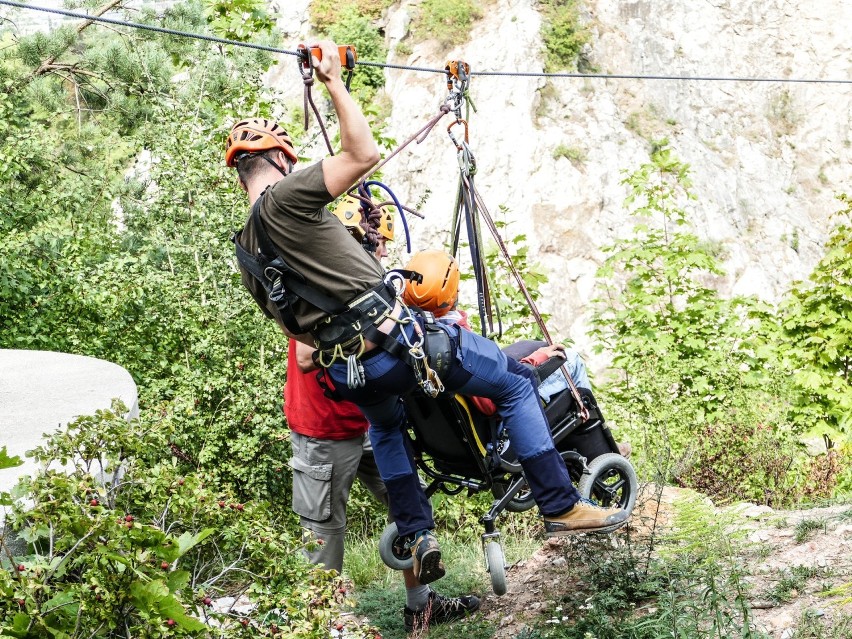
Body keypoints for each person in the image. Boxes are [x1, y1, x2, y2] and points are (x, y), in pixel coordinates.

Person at [227, 41, 628, 590]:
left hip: (350, 372)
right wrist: (334, 82)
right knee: (513, 384)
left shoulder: (247, 248)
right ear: (281, 161)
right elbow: (363, 153)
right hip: (399, 343)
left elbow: (297, 329)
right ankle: (558, 504)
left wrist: (362, 257)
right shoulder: (287, 197)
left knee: (386, 424)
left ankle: (417, 533)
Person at [283, 228, 480, 631]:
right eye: (379, 248)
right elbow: (305, 356)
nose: (385, 254)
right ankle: (320, 625)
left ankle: (421, 608)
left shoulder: (368, 281)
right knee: (324, 535)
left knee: (407, 507)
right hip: (325, 429)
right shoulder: (318, 282)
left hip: (376, 420)